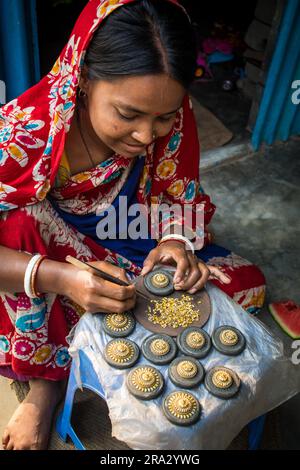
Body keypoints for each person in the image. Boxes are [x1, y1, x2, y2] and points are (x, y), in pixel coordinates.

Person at [0, 0, 265, 450]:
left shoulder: (171, 119)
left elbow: (178, 194)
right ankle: (45, 382)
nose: (147, 136)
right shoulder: (23, 136)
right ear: (81, 80)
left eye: (163, 116)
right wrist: (62, 277)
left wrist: (176, 242)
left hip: (131, 238)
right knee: (19, 224)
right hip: (51, 259)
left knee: (245, 285)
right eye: (127, 115)